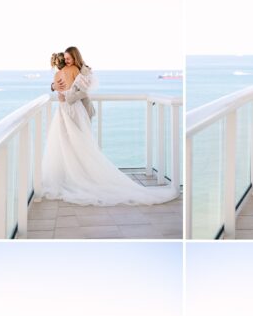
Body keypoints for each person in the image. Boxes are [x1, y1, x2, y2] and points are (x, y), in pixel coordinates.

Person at [42, 46, 179, 206]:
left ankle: (83, 177)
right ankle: (73, 176)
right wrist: (54, 87)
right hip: (69, 109)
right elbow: (57, 85)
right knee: (71, 143)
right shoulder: (67, 71)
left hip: (78, 108)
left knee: (80, 143)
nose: (67, 61)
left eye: (69, 58)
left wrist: (68, 96)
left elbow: (83, 91)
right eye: (64, 59)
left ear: (75, 57)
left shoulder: (84, 70)